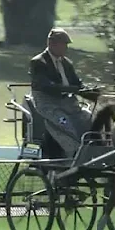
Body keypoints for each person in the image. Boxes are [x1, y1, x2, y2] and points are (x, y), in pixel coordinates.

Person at [29, 28, 94, 158]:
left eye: (66, 45)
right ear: (52, 44)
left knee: (89, 118)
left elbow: (77, 83)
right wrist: (71, 89)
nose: (66, 48)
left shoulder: (66, 63)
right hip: (48, 104)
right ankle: (73, 153)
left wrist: (90, 91)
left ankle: (92, 150)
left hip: (68, 104)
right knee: (64, 123)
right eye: (63, 44)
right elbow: (46, 86)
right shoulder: (38, 62)